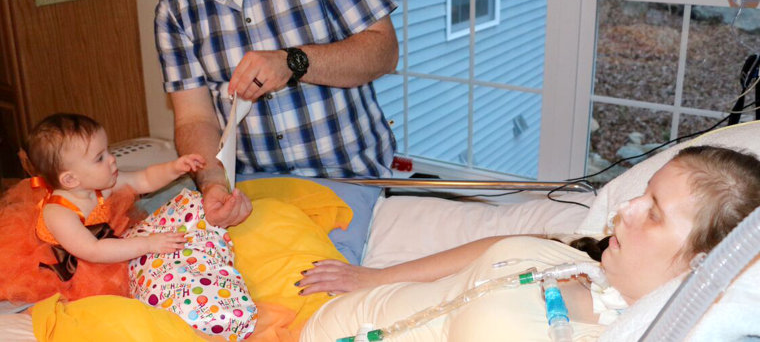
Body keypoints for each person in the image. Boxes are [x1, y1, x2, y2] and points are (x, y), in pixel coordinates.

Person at [131, 0, 399, 264]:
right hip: (255, 189)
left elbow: (384, 52)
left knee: (316, 288)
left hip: (349, 178)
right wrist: (213, 184)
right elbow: (194, 117)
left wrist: (294, 63)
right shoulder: (174, 9)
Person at [296, 146, 760, 341]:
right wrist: (373, 276)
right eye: (640, 195)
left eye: (654, 213)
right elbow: (494, 245)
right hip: (313, 320)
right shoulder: (588, 252)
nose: (626, 210)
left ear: (706, 265)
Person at [22, 113, 204, 277]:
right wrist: (148, 244)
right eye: (99, 158)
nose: (112, 159)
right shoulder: (60, 214)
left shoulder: (99, 183)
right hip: (77, 259)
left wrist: (174, 168)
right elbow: (94, 251)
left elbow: (144, 179)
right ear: (71, 179)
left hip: (101, 242)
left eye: (108, 150)